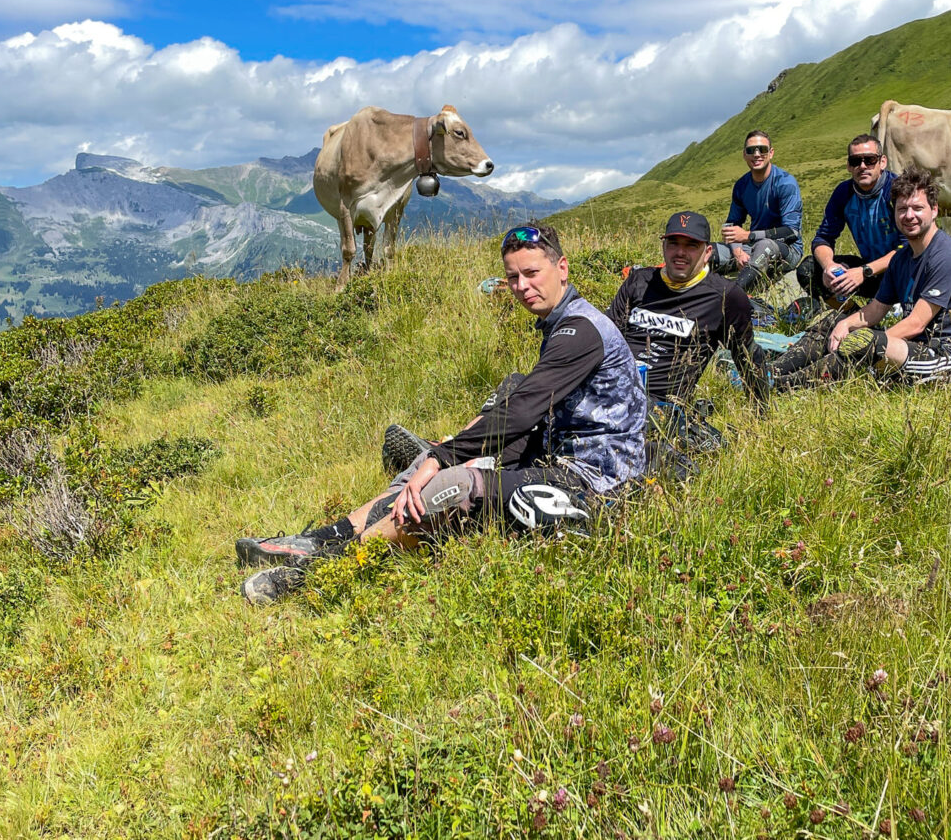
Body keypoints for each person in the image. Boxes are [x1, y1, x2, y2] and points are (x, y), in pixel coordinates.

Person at [235, 224, 648, 604]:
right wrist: (443, 452)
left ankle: (321, 574)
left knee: (452, 482)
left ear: (562, 268)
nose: (522, 287)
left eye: (532, 273)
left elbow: (522, 413)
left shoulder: (580, 331)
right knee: (436, 460)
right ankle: (331, 536)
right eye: (512, 277)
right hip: (556, 454)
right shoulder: (564, 322)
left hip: (598, 482)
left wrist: (443, 457)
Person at [771, 169, 951, 389]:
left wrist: (868, 342)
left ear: (934, 210)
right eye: (902, 209)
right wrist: (846, 324)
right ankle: (770, 372)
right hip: (908, 345)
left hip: (942, 355)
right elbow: (876, 310)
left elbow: (916, 324)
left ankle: (783, 386)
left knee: (865, 342)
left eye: (918, 208)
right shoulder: (901, 258)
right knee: (834, 322)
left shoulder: (945, 255)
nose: (909, 216)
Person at [607, 211, 769, 467]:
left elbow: (748, 356)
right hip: (610, 389)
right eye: (673, 244)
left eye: (691, 245)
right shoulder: (638, 282)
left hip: (661, 406)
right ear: (664, 247)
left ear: (707, 252)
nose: (680, 252)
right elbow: (605, 341)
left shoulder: (725, 296)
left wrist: (762, 414)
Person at [796, 134, 903, 310]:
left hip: (905, 272)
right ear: (848, 166)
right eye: (855, 161)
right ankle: (852, 313)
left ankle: (891, 308)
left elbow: (908, 248)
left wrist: (864, 271)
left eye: (869, 160)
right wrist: (828, 266)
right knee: (808, 270)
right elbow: (823, 238)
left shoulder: (897, 189)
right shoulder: (843, 193)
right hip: (872, 273)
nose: (862, 166)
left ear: (882, 162)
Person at [711, 130, 803, 294]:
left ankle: (733, 298)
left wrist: (748, 236)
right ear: (744, 155)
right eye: (751, 150)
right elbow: (731, 224)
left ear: (771, 153)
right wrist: (738, 251)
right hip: (751, 247)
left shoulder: (785, 183)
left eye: (762, 149)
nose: (757, 154)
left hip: (788, 250)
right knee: (708, 251)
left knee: (764, 246)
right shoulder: (741, 185)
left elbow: (792, 232)